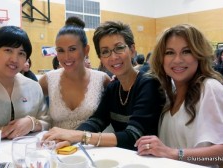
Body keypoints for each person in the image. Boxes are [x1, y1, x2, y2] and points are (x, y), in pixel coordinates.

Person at [135, 24, 223, 167]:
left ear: (199, 55)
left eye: (186, 51)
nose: (177, 60)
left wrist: (173, 153)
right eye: (169, 52)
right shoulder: (170, 93)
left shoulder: (209, 89)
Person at [42, 21, 166, 151]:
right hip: (123, 158)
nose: (113, 57)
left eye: (119, 48)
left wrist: (79, 135)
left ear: (132, 50)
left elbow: (133, 137)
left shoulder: (149, 84)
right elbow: (97, 120)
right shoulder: (113, 87)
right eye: (105, 51)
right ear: (100, 58)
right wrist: (68, 137)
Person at [39, 16, 111, 130]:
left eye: (72, 49)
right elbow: (33, 111)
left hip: (91, 146)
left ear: (86, 50)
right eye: (61, 50)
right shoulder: (48, 79)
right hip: (56, 146)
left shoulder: (102, 79)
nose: (66, 57)